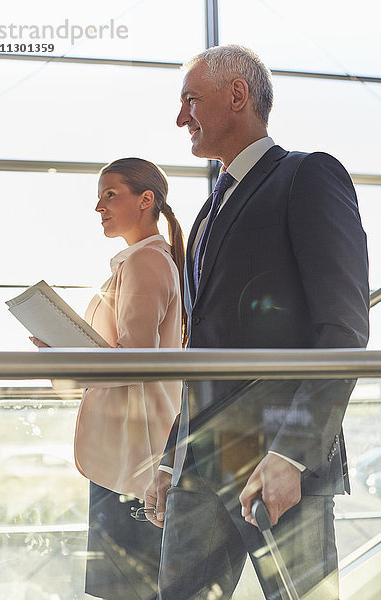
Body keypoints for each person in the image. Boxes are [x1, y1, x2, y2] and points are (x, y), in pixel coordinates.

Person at [144, 45, 369, 600]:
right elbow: (204, 350)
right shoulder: (209, 208)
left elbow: (344, 328)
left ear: (237, 95)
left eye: (191, 100)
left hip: (276, 459)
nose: (180, 118)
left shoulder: (307, 176)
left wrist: (292, 453)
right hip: (202, 464)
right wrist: (175, 456)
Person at [33, 157, 185, 600]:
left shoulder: (146, 263)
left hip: (132, 455)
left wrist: (68, 353)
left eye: (110, 194)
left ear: (146, 200)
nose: (98, 206)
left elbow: (132, 360)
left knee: (125, 590)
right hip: (128, 451)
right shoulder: (138, 262)